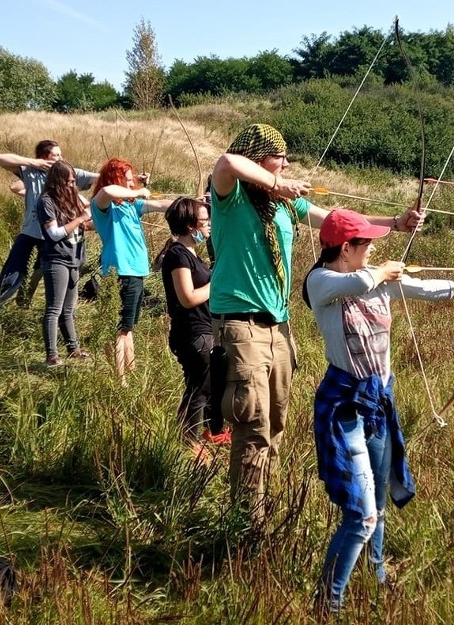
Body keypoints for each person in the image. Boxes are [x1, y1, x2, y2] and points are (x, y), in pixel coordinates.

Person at [209, 123, 422, 521]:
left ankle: (260, 506)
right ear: (258, 158)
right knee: (252, 421)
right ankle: (245, 519)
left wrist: (395, 222)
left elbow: (336, 222)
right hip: (240, 323)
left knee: (275, 422)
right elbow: (226, 161)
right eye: (279, 158)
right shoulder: (229, 195)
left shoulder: (286, 204)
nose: (286, 165)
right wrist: (278, 184)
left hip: (278, 325)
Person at [303, 209, 454, 615]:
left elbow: (427, 289)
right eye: (366, 243)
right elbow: (360, 280)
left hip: (378, 401)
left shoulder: (377, 281)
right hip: (346, 408)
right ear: (345, 248)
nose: (373, 248)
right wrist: (384, 271)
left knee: (376, 499)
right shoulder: (322, 281)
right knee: (360, 515)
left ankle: (375, 578)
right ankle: (327, 606)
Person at [0, 140, 97, 311]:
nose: (61, 158)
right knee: (12, 274)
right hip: (30, 232)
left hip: (52, 236)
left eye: (60, 154)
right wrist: (34, 163)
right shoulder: (30, 172)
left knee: (39, 273)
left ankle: (25, 301)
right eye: (56, 155)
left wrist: (135, 178)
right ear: (44, 157)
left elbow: (100, 176)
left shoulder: (67, 172)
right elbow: (1, 158)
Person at [90, 158, 172, 382]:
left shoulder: (130, 205)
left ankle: (131, 370)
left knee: (129, 326)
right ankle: (121, 380)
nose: (131, 184)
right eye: (126, 180)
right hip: (122, 271)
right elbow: (106, 191)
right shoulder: (104, 207)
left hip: (135, 271)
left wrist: (191, 203)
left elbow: (161, 205)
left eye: (132, 180)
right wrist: (138, 192)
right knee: (121, 328)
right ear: (115, 179)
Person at [160, 197, 231, 447]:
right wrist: (217, 284)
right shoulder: (177, 255)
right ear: (191, 225)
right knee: (199, 390)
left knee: (208, 387)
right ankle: (189, 444)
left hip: (204, 330)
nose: (209, 224)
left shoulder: (191, 254)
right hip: (192, 333)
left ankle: (209, 433)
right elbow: (187, 298)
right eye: (204, 220)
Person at [36, 161, 93, 367]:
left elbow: (89, 213)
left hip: (73, 259)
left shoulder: (72, 197)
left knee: (69, 309)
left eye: (73, 182)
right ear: (58, 181)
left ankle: (73, 348)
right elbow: (54, 233)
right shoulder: (46, 201)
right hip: (56, 259)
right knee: (54, 309)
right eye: (68, 182)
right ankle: (51, 355)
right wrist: (80, 219)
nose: (72, 185)